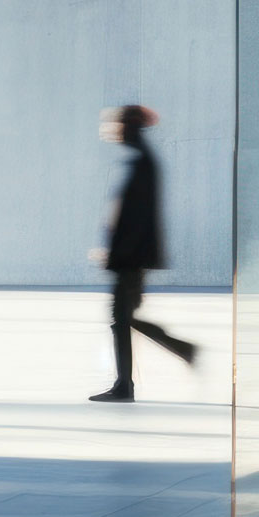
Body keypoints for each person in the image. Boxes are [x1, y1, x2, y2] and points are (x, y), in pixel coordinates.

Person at [89, 105, 198, 402]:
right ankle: (128, 382)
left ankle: (127, 384)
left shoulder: (141, 164)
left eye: (118, 125)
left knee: (121, 318)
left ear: (129, 127)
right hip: (131, 257)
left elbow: (135, 221)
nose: (113, 130)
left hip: (130, 259)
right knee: (123, 318)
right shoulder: (142, 161)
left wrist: (116, 255)